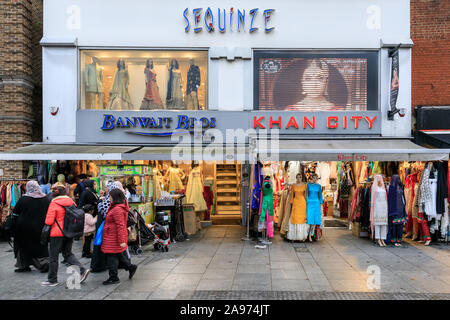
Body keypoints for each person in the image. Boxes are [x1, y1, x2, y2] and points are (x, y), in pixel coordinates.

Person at [41, 183, 90, 287]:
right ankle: (83, 269)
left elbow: (49, 221)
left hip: (57, 233)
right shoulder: (71, 202)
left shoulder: (54, 203)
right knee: (67, 254)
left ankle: (52, 280)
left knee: (53, 257)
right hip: (69, 231)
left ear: (56, 192)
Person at [12, 181, 51, 273]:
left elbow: (15, 213)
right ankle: (43, 263)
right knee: (40, 245)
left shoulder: (23, 199)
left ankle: (24, 265)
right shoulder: (45, 199)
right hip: (40, 227)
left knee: (22, 246)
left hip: (23, 228)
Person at [101, 189, 137, 285]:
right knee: (118, 254)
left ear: (115, 197)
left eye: (111, 196)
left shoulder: (117, 209)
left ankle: (114, 277)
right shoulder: (117, 207)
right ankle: (130, 267)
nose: (109, 198)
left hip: (113, 236)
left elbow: (120, 225)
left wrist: (122, 240)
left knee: (111, 256)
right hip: (112, 235)